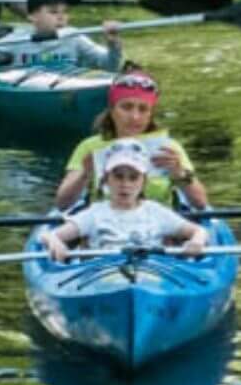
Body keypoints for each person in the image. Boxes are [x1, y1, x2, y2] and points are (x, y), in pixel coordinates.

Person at [54, 71, 209, 211]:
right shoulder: (90, 147)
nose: (135, 117)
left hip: (160, 229)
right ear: (112, 110)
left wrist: (179, 173)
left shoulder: (168, 148)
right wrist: (84, 175)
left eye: (143, 109)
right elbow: (62, 203)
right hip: (104, 227)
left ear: (150, 114)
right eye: (127, 107)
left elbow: (200, 203)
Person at [43, 140, 210, 263]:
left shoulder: (157, 212)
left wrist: (197, 241)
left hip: (153, 275)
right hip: (102, 278)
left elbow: (199, 231)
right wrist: (54, 242)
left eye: (133, 177)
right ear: (106, 180)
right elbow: (51, 235)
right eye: (118, 176)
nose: (125, 184)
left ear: (143, 182)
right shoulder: (94, 214)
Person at [0, 0, 123, 73]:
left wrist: (113, 44)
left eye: (65, 11)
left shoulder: (75, 37)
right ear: (32, 16)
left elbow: (109, 66)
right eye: (53, 12)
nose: (61, 16)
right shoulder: (16, 40)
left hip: (67, 90)